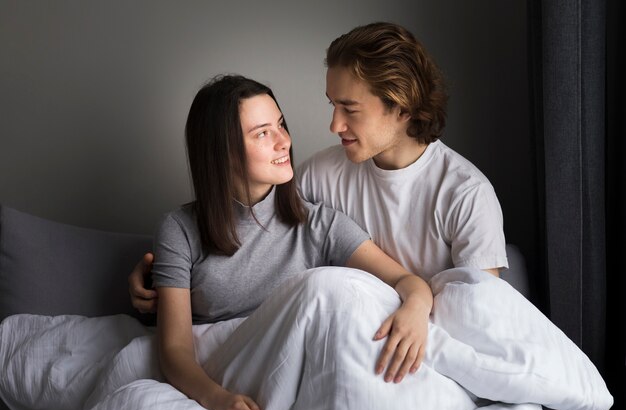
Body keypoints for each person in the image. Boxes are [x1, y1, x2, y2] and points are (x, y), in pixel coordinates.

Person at [131, 21, 507, 308]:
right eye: (333, 104)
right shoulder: (320, 174)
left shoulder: (466, 194)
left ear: (401, 107)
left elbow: (478, 315)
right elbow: (248, 232)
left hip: (419, 342)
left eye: (350, 109)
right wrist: (158, 277)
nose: (334, 125)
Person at [151, 74, 433, 410]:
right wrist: (216, 398)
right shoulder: (178, 230)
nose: (283, 141)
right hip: (224, 378)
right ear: (220, 152)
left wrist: (416, 307)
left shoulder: (320, 224)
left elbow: (408, 282)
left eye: (281, 125)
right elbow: (175, 349)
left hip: (300, 377)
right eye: (262, 133)